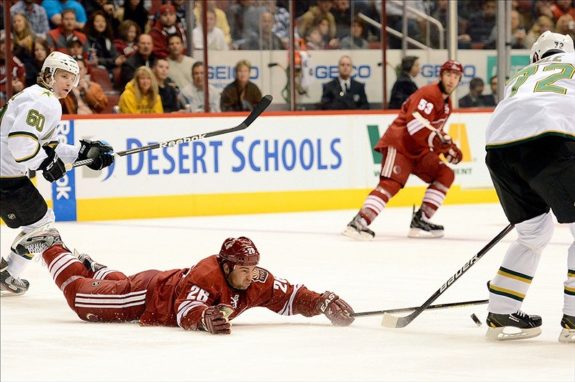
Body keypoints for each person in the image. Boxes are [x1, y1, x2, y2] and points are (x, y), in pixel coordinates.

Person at [13, 230, 355, 332]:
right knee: (82, 301)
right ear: (225, 265)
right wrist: (203, 318)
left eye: (253, 266)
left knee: (108, 285)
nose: (250, 273)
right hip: (147, 296)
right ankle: (50, 244)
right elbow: (185, 307)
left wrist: (321, 302)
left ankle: (93, 266)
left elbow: (291, 295)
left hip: (157, 282)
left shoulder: (255, 280)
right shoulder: (206, 274)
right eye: (243, 267)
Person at [483, 31, 575, 343]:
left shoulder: (521, 75)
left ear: (537, 56)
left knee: (534, 232)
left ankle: (502, 309)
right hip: (550, 141)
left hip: (499, 150)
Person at [0, 51, 114, 295]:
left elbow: (47, 145)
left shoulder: (38, 96)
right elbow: (21, 144)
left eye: (73, 78)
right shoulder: (44, 100)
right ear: (49, 74)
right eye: (64, 76)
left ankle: (8, 272)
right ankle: (8, 273)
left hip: (7, 174)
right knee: (42, 228)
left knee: (40, 225)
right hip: (6, 176)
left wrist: (82, 153)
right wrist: (45, 163)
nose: (69, 83)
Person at [343, 60, 464, 240]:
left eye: (456, 76)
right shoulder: (429, 94)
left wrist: (448, 148)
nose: (451, 80)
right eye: (448, 74)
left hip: (419, 150)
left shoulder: (447, 105)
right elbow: (415, 126)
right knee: (390, 184)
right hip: (400, 144)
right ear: (441, 75)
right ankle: (359, 222)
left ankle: (421, 220)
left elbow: (432, 131)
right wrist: (442, 144)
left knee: (445, 174)